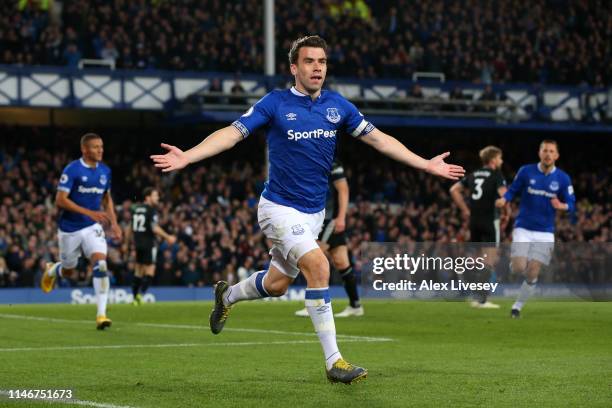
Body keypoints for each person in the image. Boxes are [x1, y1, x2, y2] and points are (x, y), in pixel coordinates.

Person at [151, 35, 465, 384]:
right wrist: (188, 156)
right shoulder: (275, 103)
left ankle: (227, 295)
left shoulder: (337, 106)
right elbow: (232, 133)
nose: (317, 67)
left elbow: (379, 139)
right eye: (309, 61)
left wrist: (424, 164)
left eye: (323, 62)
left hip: (313, 214)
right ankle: (335, 362)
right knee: (319, 265)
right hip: (278, 208)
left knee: (277, 284)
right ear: (293, 67)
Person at [41, 133, 122, 330]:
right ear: (85, 150)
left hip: (92, 228)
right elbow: (60, 200)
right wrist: (89, 212)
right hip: (70, 229)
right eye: (95, 147)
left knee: (101, 265)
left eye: (101, 146)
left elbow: (106, 198)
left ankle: (101, 315)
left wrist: (114, 222)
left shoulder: (105, 171)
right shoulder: (73, 170)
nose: (100, 150)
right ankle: (53, 269)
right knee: (69, 271)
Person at [496, 140, 575, 318]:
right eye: (545, 150)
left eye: (551, 151)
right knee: (518, 267)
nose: (548, 154)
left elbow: (571, 204)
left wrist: (561, 206)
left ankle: (517, 307)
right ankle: (513, 264)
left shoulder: (563, 178)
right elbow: (513, 189)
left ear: (556, 155)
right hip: (523, 227)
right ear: (539, 153)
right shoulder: (526, 171)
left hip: (545, 231)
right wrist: (504, 199)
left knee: (532, 271)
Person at [295, 159, 364, 317]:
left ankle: (316, 303)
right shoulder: (312, 163)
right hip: (320, 218)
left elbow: (343, 190)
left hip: (329, 221)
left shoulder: (332, 165)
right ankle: (355, 305)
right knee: (341, 262)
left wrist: (341, 217)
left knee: (311, 258)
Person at [450, 146, 507, 309]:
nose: (501, 161)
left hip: (474, 220)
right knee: (490, 260)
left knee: (477, 258)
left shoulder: (473, 175)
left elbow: (454, 190)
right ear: (493, 160)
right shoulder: (497, 175)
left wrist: (465, 210)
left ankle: (466, 275)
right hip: (490, 220)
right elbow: (504, 195)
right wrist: (506, 210)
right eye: (500, 158)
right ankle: (481, 300)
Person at [125, 187, 176, 305]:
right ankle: (140, 295)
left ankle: (134, 297)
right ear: (148, 197)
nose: (157, 198)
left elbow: (129, 228)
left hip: (138, 243)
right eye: (155, 196)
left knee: (138, 271)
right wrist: (168, 237)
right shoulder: (151, 210)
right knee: (150, 272)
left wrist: (126, 243)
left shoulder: (136, 209)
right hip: (149, 243)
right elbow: (154, 228)